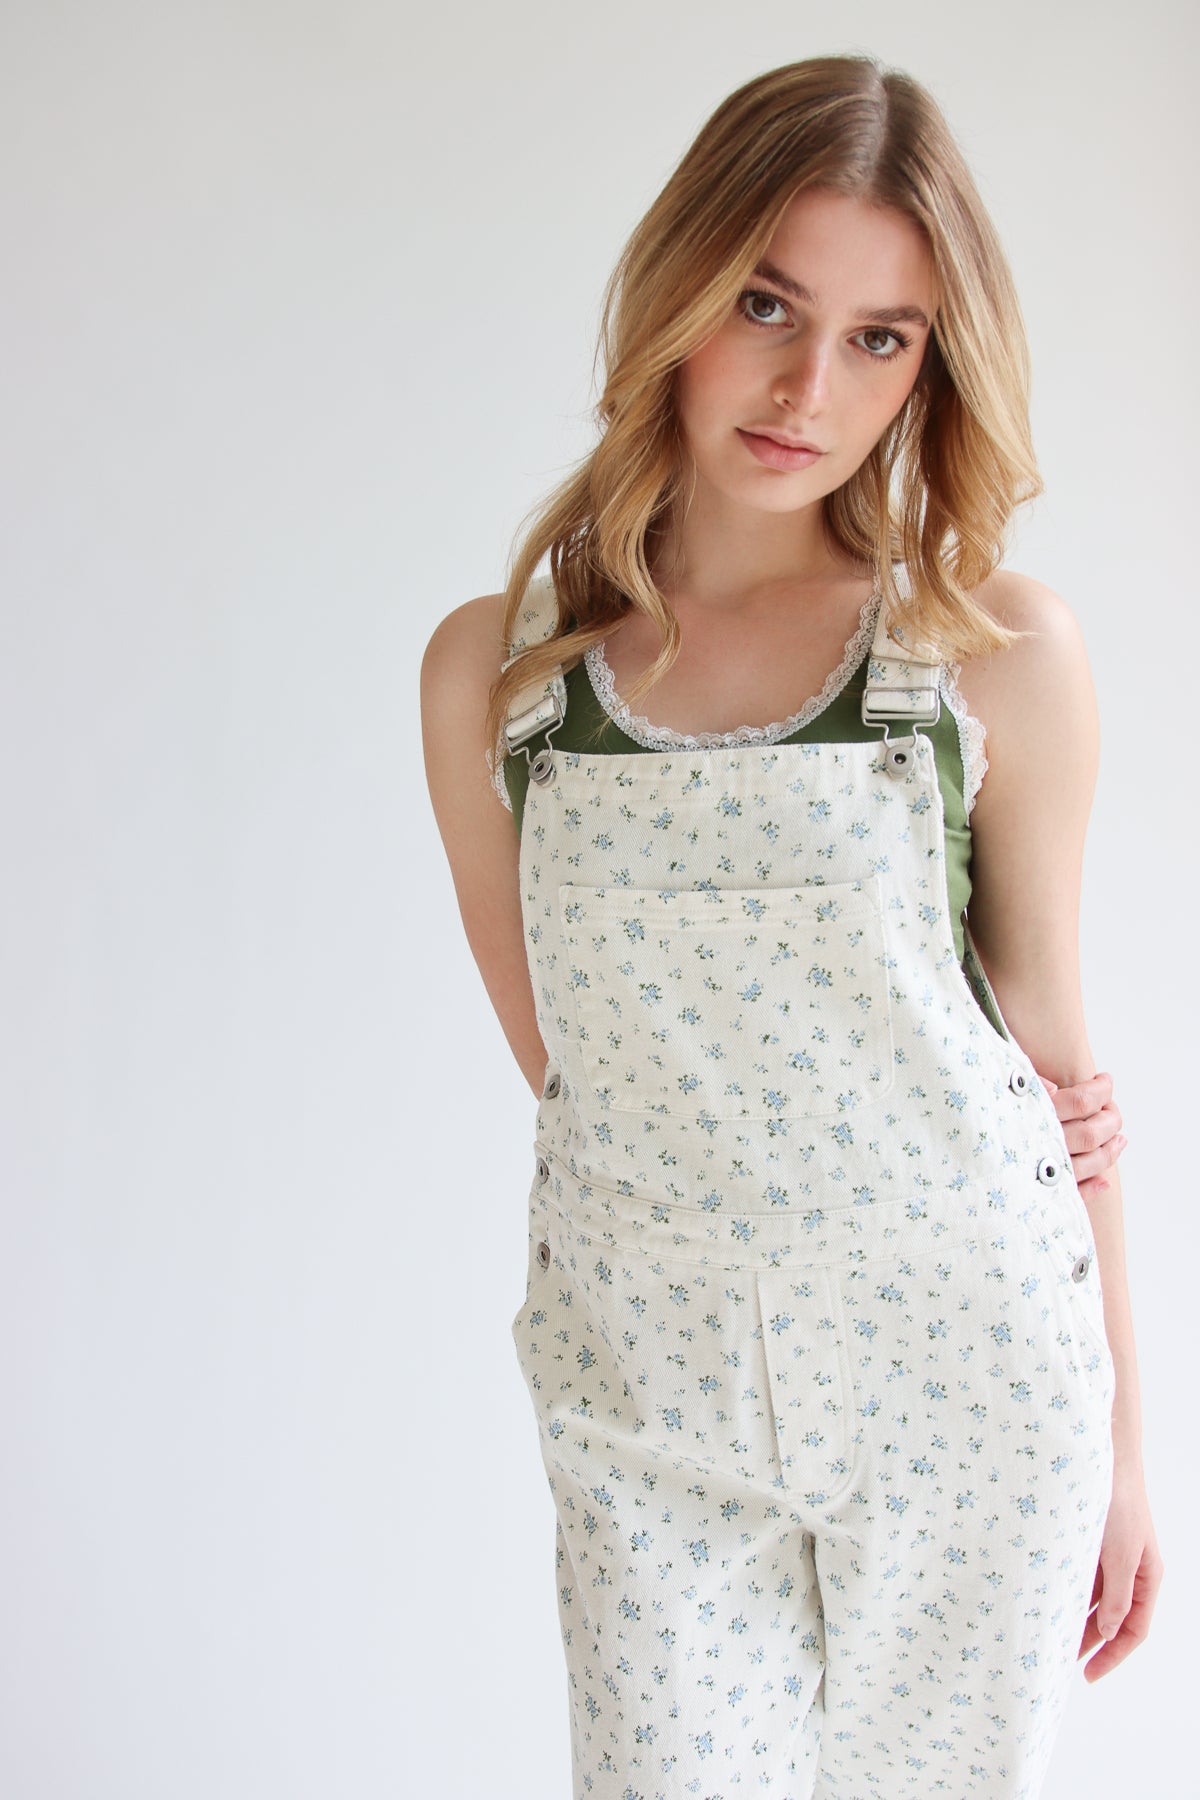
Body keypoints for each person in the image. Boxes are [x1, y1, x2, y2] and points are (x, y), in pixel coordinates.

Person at [421, 53, 1161, 1798]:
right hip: (649, 1402)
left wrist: (1127, 1439)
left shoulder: (986, 659)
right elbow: (574, 1064)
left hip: (971, 1387)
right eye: (765, 301)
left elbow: (1059, 1072)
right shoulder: (503, 681)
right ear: (677, 282)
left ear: (932, 362)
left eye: (881, 336)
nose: (806, 383)